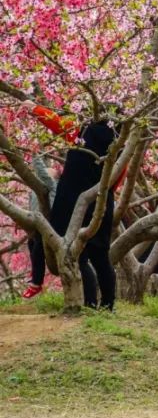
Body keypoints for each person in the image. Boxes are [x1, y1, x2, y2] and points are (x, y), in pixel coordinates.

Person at [23, 98, 125, 310]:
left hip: (71, 201)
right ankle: (108, 305)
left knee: (77, 255)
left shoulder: (83, 131)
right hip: (100, 203)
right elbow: (118, 177)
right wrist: (104, 194)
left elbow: (58, 123)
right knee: (100, 257)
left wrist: (34, 108)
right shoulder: (120, 144)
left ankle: (88, 303)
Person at [22, 155, 58, 298]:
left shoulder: (51, 185)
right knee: (31, 245)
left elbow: (41, 172)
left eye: (49, 171)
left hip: (48, 225)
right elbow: (31, 208)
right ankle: (35, 274)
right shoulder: (35, 190)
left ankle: (37, 283)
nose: (45, 172)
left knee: (38, 249)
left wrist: (34, 153)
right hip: (36, 224)